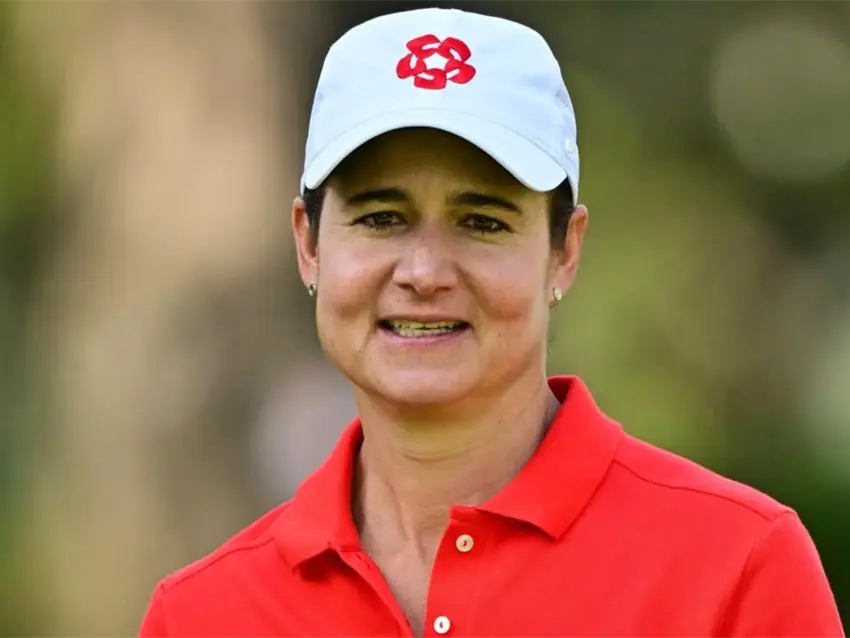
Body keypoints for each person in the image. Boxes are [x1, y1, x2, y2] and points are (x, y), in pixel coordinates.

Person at [138, 8, 844, 638]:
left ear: (564, 252)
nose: (424, 272)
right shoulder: (200, 615)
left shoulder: (737, 566)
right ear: (309, 244)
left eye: (482, 221)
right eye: (381, 218)